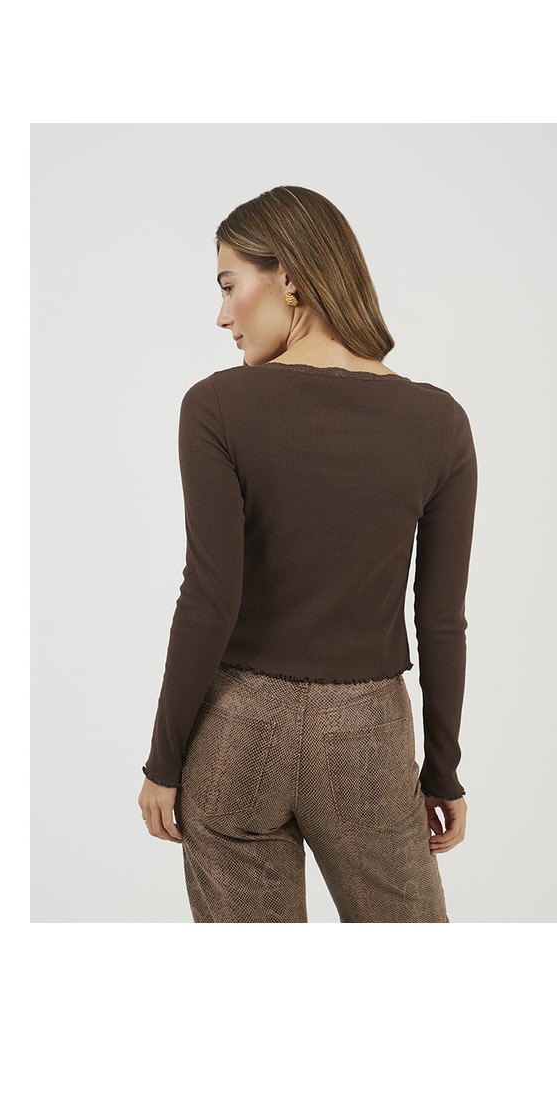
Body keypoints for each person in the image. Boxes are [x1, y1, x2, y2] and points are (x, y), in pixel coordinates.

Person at [138, 185, 477, 922]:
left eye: (229, 285)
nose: (222, 315)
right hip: (367, 739)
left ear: (288, 277)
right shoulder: (438, 422)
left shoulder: (216, 407)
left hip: (234, 734)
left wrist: (163, 762)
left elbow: (210, 595)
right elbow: (440, 619)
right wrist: (441, 770)